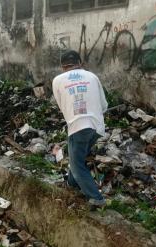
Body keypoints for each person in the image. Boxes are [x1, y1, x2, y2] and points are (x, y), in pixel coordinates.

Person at [52, 50, 108, 208]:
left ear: (63, 67)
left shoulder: (57, 80)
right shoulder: (92, 76)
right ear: (80, 63)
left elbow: (62, 106)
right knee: (77, 158)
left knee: (77, 166)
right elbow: (104, 106)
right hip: (96, 127)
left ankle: (96, 198)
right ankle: (72, 184)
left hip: (77, 126)